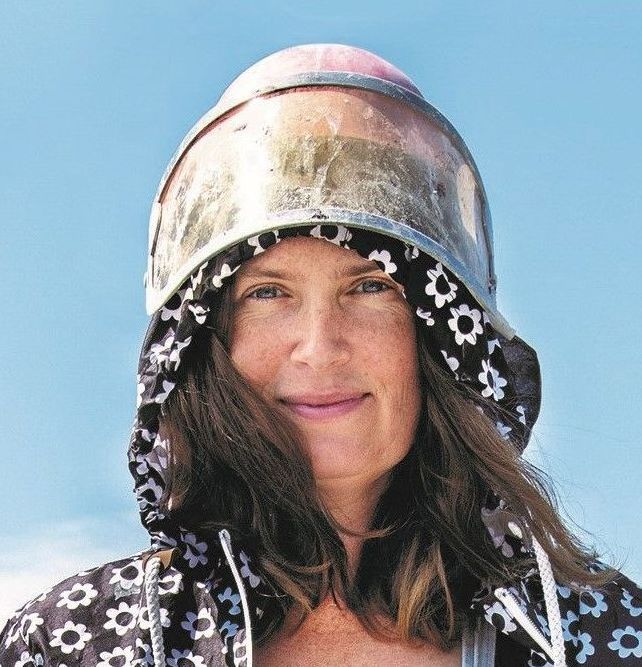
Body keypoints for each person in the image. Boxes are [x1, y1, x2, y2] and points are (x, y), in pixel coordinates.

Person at [1, 43, 641, 667]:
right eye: (267, 293)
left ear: (440, 335)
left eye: (370, 287)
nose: (318, 348)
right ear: (202, 342)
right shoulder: (73, 646)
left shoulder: (602, 638)